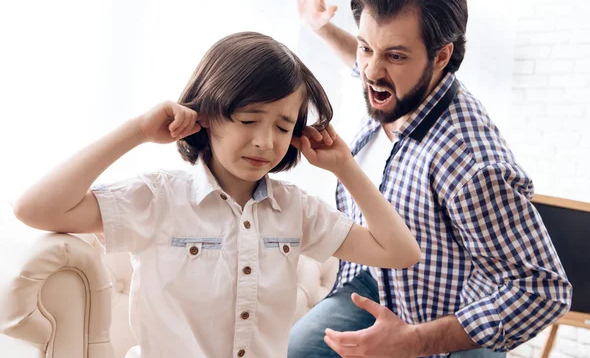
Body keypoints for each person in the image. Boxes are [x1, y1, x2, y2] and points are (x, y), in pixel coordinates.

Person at [13, 31, 420, 358]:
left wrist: (345, 166)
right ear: (207, 112)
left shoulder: (296, 210)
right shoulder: (159, 198)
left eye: (282, 127)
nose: (264, 141)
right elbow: (35, 208)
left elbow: (402, 253)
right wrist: (137, 131)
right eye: (248, 119)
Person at [288, 0, 572, 357]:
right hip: (376, 283)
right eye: (366, 47)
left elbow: (544, 291)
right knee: (297, 350)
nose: (370, 69)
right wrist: (320, 26)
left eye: (395, 56)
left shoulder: (471, 163)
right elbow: (371, 64)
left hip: (450, 317)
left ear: (441, 56)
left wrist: (416, 341)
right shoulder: (400, 87)